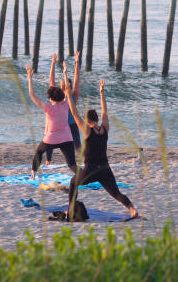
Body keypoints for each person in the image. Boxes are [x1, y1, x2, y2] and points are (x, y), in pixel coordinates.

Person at [65, 79, 137, 219]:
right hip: (105, 168)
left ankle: (70, 210)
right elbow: (105, 111)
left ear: (87, 120)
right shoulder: (105, 128)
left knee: (73, 182)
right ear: (97, 119)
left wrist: (68, 93)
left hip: (90, 169)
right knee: (116, 193)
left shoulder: (87, 130)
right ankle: (132, 209)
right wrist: (102, 93)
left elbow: (74, 113)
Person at [26, 63, 77, 176]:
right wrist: (65, 73)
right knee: (72, 164)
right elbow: (68, 89)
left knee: (39, 152)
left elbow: (32, 95)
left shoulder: (49, 108)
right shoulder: (66, 104)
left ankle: (33, 174)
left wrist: (29, 78)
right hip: (67, 138)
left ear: (51, 98)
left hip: (51, 138)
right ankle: (82, 177)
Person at [50, 52, 82, 148]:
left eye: (68, 83)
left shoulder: (73, 95)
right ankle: (48, 161)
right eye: (65, 82)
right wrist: (53, 64)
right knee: (50, 144)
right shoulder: (57, 96)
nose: (66, 84)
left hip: (72, 125)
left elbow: (77, 80)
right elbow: (51, 82)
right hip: (60, 125)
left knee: (77, 148)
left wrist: (76, 63)